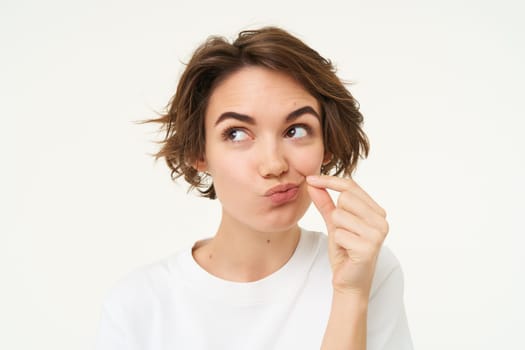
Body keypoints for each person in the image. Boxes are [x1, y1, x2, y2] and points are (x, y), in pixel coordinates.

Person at [95, 27, 413, 350]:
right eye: (236, 134)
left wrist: (350, 296)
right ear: (199, 154)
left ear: (326, 145)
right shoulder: (138, 306)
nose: (274, 164)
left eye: (296, 130)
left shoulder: (367, 271)